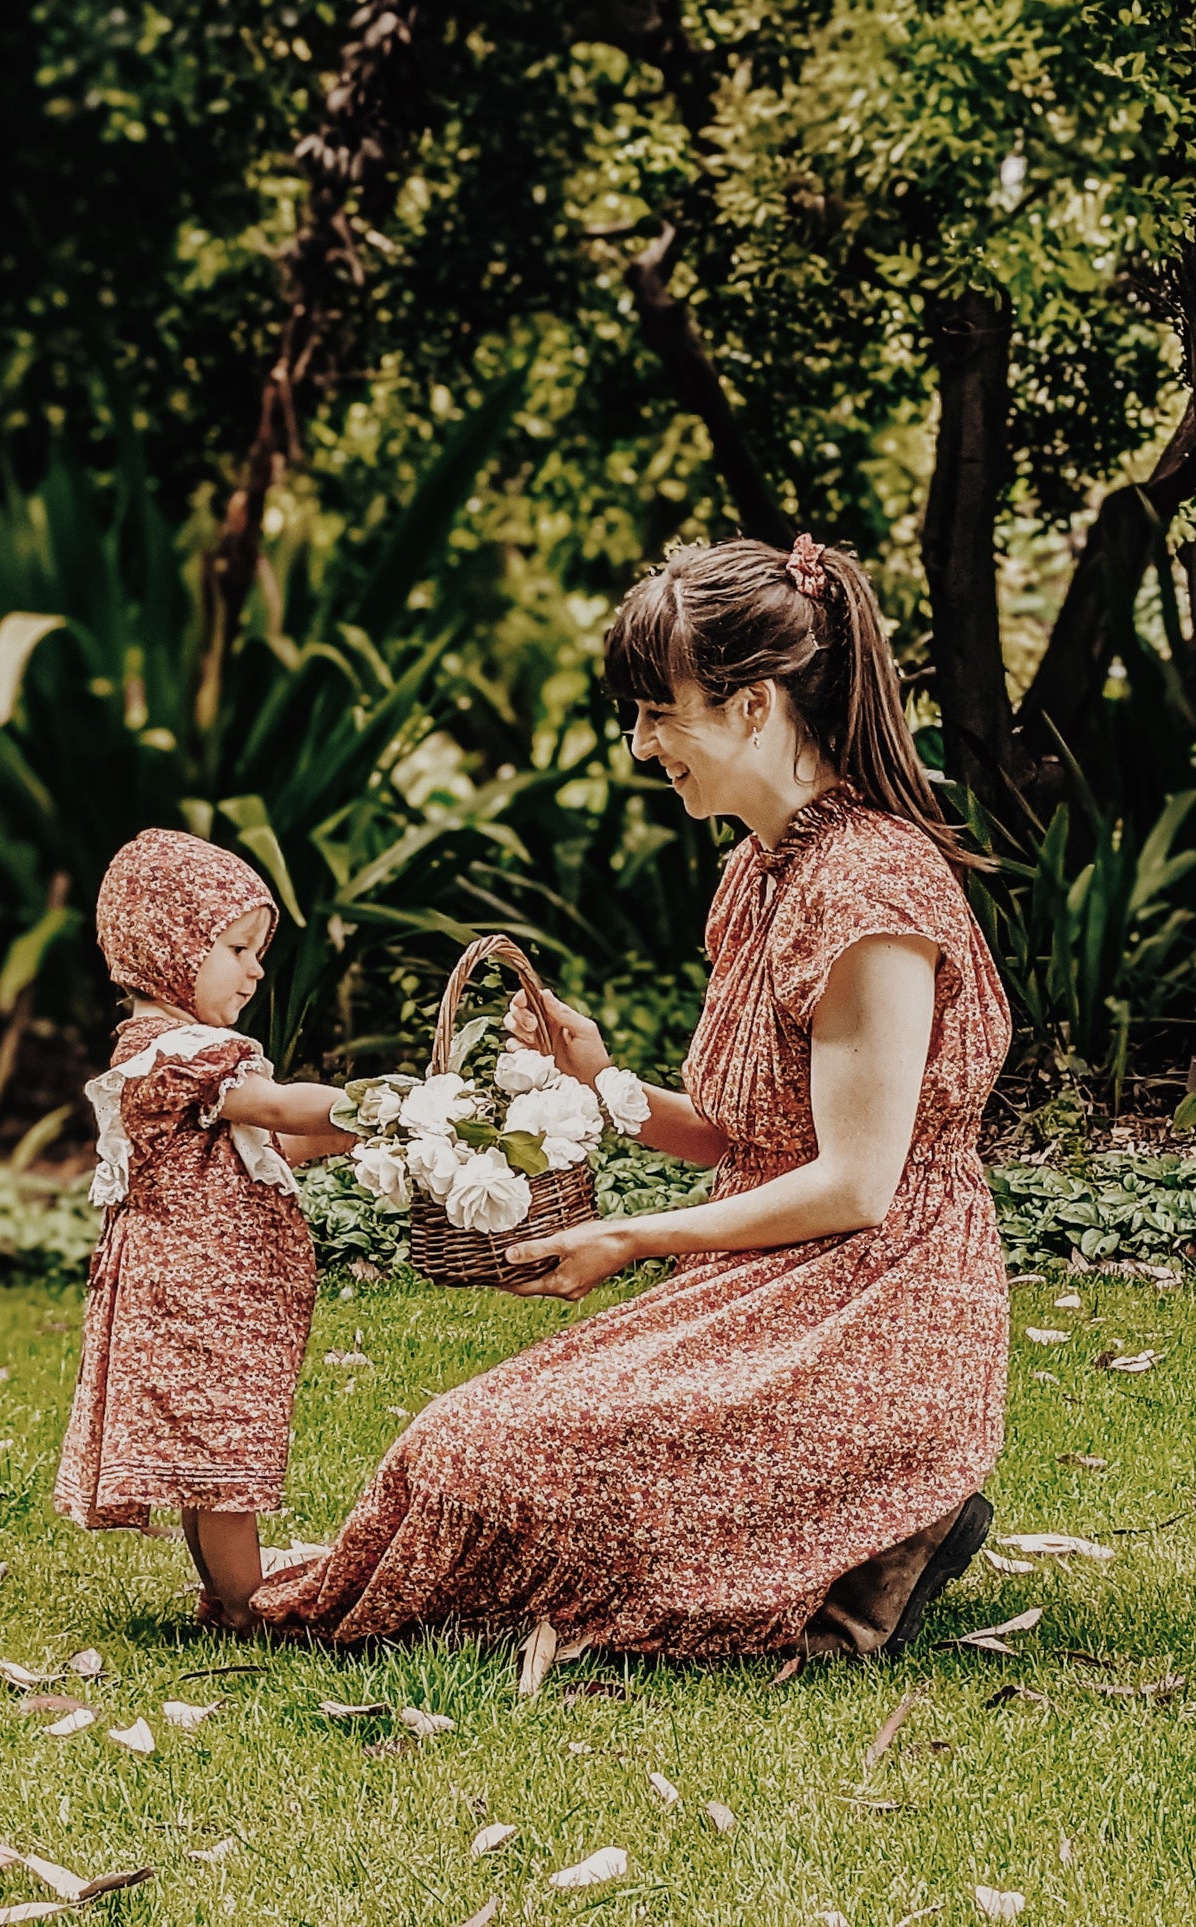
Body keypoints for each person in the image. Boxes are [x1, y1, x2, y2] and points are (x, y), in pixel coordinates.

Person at [250, 534, 1012, 1657]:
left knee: (484, 1460)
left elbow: (855, 1184)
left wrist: (635, 1236)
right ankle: (852, 1541)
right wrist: (596, 1077)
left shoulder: (871, 892)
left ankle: (886, 1519)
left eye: (659, 712)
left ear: (752, 706)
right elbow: (735, 1135)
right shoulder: (762, 867)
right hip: (771, 1287)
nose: (640, 742)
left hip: (875, 1308)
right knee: (457, 1445)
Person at [54, 828, 354, 1636]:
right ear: (170, 943)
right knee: (224, 1463)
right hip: (198, 1297)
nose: (256, 968)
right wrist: (379, 1100)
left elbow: (281, 1141)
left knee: (214, 1457)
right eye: (236, 947)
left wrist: (370, 1135)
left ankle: (229, 1599)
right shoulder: (175, 1052)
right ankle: (252, 1607)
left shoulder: (199, 1057)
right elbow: (281, 1107)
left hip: (219, 1296)